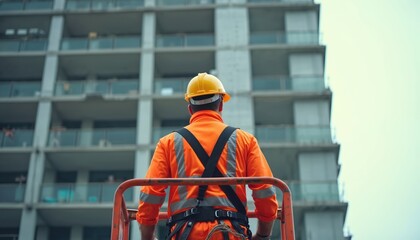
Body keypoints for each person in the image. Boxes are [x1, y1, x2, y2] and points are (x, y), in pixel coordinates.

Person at [136, 73, 278, 240]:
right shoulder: (245, 140)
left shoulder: (168, 143)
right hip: (231, 233)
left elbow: (150, 193)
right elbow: (265, 190)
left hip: (184, 234)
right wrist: (262, 234)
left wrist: (147, 237)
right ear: (221, 105)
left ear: (190, 108)